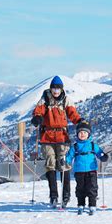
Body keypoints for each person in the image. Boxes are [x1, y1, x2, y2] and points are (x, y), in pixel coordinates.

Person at [31, 76, 82, 208]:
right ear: (51, 88)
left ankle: (66, 195)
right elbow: (38, 111)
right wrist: (37, 117)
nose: (56, 91)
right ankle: (53, 195)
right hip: (47, 136)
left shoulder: (66, 99)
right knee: (50, 165)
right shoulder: (45, 99)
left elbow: (72, 113)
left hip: (62, 136)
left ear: (61, 89)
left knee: (63, 165)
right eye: (54, 88)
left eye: (58, 88)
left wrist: (80, 122)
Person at [62, 121, 108, 215]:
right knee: (80, 188)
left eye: (85, 132)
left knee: (92, 188)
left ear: (88, 134)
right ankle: (81, 204)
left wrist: (103, 157)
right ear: (77, 134)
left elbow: (100, 153)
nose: (82, 134)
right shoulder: (75, 146)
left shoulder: (92, 145)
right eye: (80, 132)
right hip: (79, 171)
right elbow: (69, 156)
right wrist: (65, 160)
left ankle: (92, 205)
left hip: (92, 170)